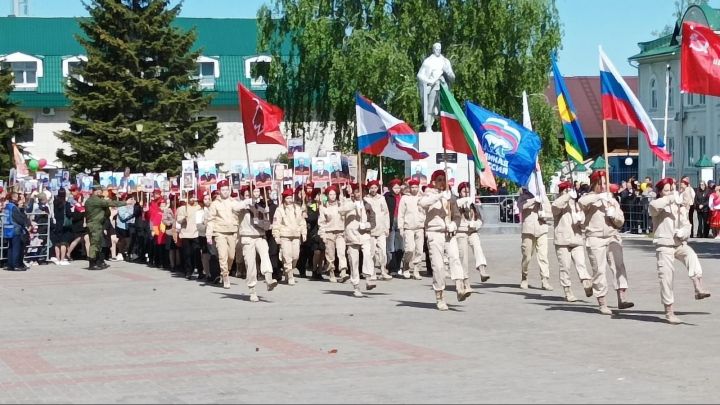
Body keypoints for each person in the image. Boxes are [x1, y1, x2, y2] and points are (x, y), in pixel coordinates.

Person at [649, 178, 710, 324]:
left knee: (691, 255)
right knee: (666, 277)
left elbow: (687, 224)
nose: (669, 192)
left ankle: (698, 286)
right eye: (666, 190)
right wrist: (670, 198)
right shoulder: (658, 204)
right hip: (664, 245)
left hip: (678, 244)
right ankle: (669, 311)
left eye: (671, 189)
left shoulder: (678, 206)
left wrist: (684, 231)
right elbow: (653, 207)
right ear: (660, 192)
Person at [579, 170, 634, 315]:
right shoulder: (589, 198)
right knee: (599, 270)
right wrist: (598, 197)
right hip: (595, 238)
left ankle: (622, 298)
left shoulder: (611, 199)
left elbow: (621, 221)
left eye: (605, 184)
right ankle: (602, 302)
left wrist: (613, 214)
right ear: (595, 184)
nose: (604, 187)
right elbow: (581, 202)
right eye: (601, 184)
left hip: (612, 236)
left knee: (619, 267)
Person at [419, 170, 468, 310]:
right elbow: (423, 203)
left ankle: (460, 287)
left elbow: (457, 215)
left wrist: (454, 224)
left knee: (455, 258)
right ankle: (439, 296)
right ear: (434, 182)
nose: (442, 182)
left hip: (448, 233)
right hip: (434, 233)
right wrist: (440, 196)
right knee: (438, 266)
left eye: (443, 179)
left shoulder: (450, 197)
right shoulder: (428, 194)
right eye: (439, 179)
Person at [236, 183, 279, 301]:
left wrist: (265, 214)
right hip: (247, 237)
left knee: (265, 256)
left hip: (260, 236)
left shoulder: (261, 205)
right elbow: (234, 208)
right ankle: (252, 290)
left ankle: (269, 279)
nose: (255, 195)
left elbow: (266, 222)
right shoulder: (242, 205)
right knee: (251, 264)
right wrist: (247, 202)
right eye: (251, 193)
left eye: (257, 192)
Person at [551, 181, 593, 302]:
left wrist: (581, 220)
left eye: (570, 190)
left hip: (576, 238)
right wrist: (568, 196)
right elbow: (554, 208)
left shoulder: (576, 204)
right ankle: (567, 291)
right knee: (565, 267)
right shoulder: (560, 203)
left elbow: (584, 220)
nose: (569, 192)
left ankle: (586, 283)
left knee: (581, 264)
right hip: (562, 240)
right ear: (562, 192)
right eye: (566, 190)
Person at [339, 182, 377, 297]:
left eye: (361, 192)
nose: (359, 194)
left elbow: (373, 221)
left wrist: (366, 225)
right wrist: (353, 206)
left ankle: (369, 277)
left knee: (368, 254)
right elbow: (341, 210)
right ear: (353, 193)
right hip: (351, 236)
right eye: (356, 192)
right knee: (353, 261)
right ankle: (356, 286)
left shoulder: (367, 205)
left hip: (364, 234)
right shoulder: (347, 203)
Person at [517, 187, 553, 291]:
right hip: (528, 230)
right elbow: (520, 206)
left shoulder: (543, 196)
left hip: (541, 229)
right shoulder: (523, 197)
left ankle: (545, 279)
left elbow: (550, 213)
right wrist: (533, 200)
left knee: (543, 256)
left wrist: (543, 208)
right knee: (527, 257)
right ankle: (524, 277)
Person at [455, 182, 489, 291]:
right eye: (464, 191)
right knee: (463, 258)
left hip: (472, 231)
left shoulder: (472, 204)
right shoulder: (456, 203)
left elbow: (480, 219)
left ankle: (482, 269)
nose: (466, 194)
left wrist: (475, 224)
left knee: (477, 247)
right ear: (459, 192)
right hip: (461, 232)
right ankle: (466, 282)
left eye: (468, 192)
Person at [84, 184, 126, 270]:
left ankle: (98, 261)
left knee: (98, 244)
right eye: (100, 190)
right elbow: (110, 203)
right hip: (94, 225)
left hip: (97, 224)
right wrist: (125, 202)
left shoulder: (94, 200)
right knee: (95, 244)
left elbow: (107, 213)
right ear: (96, 191)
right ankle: (92, 263)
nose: (102, 192)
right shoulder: (95, 200)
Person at [417, 42, 455, 131]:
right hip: (434, 86)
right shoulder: (428, 61)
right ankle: (428, 126)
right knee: (431, 106)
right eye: (436, 49)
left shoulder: (445, 61)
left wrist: (448, 72)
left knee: (445, 107)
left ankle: (446, 128)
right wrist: (429, 81)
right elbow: (419, 75)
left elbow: (453, 77)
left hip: (443, 87)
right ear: (433, 50)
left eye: (439, 49)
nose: (438, 51)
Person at [272, 188, 307, 285]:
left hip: (296, 235)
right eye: (287, 198)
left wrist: (303, 233)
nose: (289, 200)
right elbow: (276, 224)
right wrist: (276, 235)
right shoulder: (279, 210)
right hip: (285, 236)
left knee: (295, 256)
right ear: (284, 199)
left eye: (291, 198)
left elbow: (302, 222)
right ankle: (290, 275)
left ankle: (288, 271)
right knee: (287, 256)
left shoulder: (297, 208)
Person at [319, 185, 349, 283]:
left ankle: (343, 272)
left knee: (341, 252)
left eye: (334, 194)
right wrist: (322, 234)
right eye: (330, 194)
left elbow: (348, 208)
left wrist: (345, 193)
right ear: (327, 195)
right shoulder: (323, 207)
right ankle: (331, 271)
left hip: (340, 232)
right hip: (329, 233)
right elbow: (322, 222)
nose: (332, 196)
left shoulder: (341, 205)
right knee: (330, 255)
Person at [364, 180, 391, 280]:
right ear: (369, 188)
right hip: (370, 230)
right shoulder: (365, 199)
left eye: (375, 188)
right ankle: (372, 272)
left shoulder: (382, 198)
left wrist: (387, 227)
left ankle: (383, 270)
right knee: (371, 252)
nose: (373, 190)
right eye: (372, 188)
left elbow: (386, 213)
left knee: (382, 251)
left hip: (381, 229)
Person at [397, 178, 424, 280]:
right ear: (409, 188)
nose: (414, 189)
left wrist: (423, 221)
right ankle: (406, 265)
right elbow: (401, 214)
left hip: (420, 227)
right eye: (412, 187)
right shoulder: (405, 198)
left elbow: (425, 212)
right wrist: (401, 227)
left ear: (418, 187)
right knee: (409, 249)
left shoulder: (422, 198)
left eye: (416, 187)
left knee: (419, 250)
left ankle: (416, 270)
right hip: (408, 227)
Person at [177, 191, 202, 280]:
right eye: (190, 196)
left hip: (196, 233)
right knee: (187, 254)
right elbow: (179, 220)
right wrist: (184, 218)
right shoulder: (182, 208)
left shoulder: (198, 207)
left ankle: (200, 271)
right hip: (186, 234)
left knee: (197, 253)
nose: (192, 198)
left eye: (193, 196)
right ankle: (188, 271)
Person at [3, 193, 30, 271]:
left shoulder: (7, 206)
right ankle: (16, 265)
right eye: (18, 197)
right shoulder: (14, 207)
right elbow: (19, 219)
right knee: (16, 248)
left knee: (10, 247)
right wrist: (25, 223)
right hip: (15, 229)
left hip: (8, 229)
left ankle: (10, 265)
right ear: (14, 198)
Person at [384, 179, 404, 276]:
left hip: (400, 222)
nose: (396, 190)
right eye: (394, 188)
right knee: (390, 246)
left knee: (400, 246)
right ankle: (391, 267)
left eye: (398, 187)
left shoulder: (403, 197)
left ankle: (398, 266)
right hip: (391, 222)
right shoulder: (387, 196)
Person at [50, 188, 73, 266]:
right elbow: (69, 214)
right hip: (64, 225)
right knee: (63, 242)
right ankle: (62, 259)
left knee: (57, 243)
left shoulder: (54, 203)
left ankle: (58, 258)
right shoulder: (66, 204)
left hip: (57, 224)